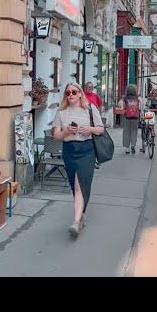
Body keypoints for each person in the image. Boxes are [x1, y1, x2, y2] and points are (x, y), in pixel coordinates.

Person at [52, 83, 104, 238]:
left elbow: (101, 129)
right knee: (74, 185)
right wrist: (67, 131)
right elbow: (56, 136)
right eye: (68, 93)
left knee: (80, 185)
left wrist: (89, 129)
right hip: (69, 150)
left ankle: (76, 222)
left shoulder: (90, 109)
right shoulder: (61, 113)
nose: (71, 95)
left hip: (87, 150)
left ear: (80, 93)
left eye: (74, 92)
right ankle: (81, 215)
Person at [116, 84, 144, 154]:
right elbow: (142, 105)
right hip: (135, 117)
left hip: (127, 117)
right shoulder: (138, 97)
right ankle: (133, 145)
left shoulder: (125, 98)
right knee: (134, 132)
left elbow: (119, 104)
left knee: (126, 132)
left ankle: (127, 148)